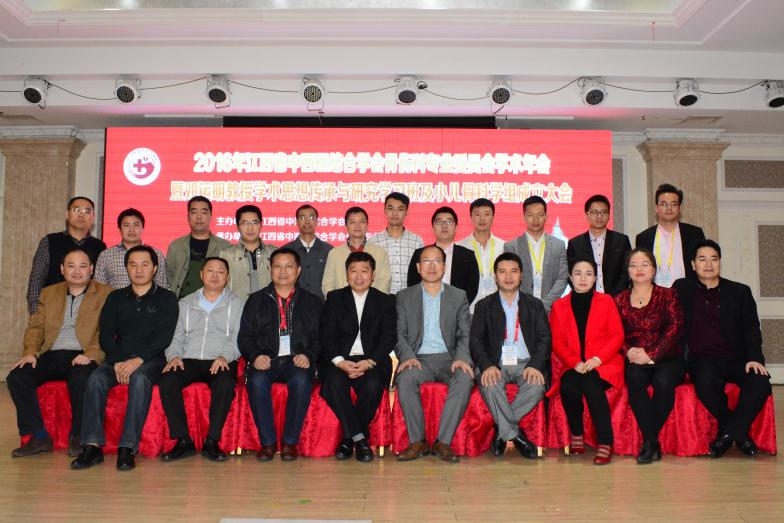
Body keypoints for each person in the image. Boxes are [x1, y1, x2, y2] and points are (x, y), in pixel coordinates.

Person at [71, 245, 178, 471]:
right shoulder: (115, 297)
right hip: (118, 358)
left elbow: (164, 337)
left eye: (145, 265)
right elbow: (106, 334)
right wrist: (119, 361)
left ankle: (128, 447)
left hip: (151, 360)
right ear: (126, 268)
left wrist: (138, 361)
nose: (139, 270)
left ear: (155, 268)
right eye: (133, 265)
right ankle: (92, 446)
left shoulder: (167, 298)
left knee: (140, 379)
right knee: (95, 379)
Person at [8, 248, 112, 458]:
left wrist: (91, 354)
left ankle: (78, 436)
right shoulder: (49, 293)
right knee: (17, 377)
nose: (77, 271)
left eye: (83, 266)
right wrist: (30, 352)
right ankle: (38, 436)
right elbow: (36, 327)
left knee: (81, 379)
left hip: (84, 354)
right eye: (71, 266)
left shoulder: (106, 294)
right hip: (52, 353)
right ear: (62, 269)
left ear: (91, 269)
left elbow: (108, 331)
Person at [674, 240, 772, 458]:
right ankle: (739, 434)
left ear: (720, 262)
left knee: (761, 382)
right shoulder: (682, 289)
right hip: (702, 360)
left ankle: (728, 434)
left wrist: (755, 358)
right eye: (702, 259)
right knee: (705, 383)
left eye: (714, 259)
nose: (708, 264)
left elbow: (751, 329)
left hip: (736, 358)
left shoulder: (739, 291)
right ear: (693, 264)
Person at [239, 248, 323, 462]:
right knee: (256, 381)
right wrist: (255, 356)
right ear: (270, 269)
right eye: (277, 266)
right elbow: (245, 337)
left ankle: (289, 443)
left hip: (298, 359)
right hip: (266, 359)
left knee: (302, 381)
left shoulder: (313, 302)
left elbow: (321, 338)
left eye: (288, 266)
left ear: (298, 270)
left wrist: (308, 355)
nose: (283, 271)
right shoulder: (256, 300)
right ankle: (267, 443)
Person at [158, 257, 243, 463]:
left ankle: (212, 441)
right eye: (210, 270)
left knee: (225, 384)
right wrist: (174, 356)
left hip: (220, 359)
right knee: (168, 380)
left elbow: (238, 338)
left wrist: (225, 357)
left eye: (221, 272)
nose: (215, 275)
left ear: (227, 278)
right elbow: (175, 336)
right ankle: (183, 440)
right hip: (188, 358)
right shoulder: (185, 303)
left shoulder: (237, 304)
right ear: (201, 275)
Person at [396, 245, 473, 463]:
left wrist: (461, 358)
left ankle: (443, 442)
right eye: (426, 261)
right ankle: (417, 441)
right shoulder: (404, 296)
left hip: (449, 359)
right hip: (418, 359)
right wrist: (408, 356)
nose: (432, 266)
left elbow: (464, 333)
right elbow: (399, 333)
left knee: (465, 378)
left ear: (444, 266)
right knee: (405, 378)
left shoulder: (458, 296)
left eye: (437, 261)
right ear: (418, 267)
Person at [469, 252, 550, 459]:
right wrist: (487, 365)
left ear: (521, 275)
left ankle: (501, 431)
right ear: (495, 276)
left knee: (536, 386)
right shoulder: (483, 306)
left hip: (526, 363)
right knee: (490, 383)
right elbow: (476, 341)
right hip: (495, 363)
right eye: (502, 272)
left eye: (513, 271)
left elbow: (544, 339)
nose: (508, 276)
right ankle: (516, 436)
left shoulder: (535, 305)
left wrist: (535, 365)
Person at [319, 251, 396, 462]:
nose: (359, 276)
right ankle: (360, 440)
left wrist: (369, 362)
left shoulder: (385, 301)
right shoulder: (335, 298)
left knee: (373, 385)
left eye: (364, 271)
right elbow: (326, 335)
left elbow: (388, 338)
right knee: (333, 382)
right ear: (347, 275)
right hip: (340, 360)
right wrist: (340, 362)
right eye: (353, 271)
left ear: (373, 275)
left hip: (372, 361)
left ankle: (348, 438)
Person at [548, 257, 625, 465]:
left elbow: (617, 335)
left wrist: (598, 359)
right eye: (578, 273)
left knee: (591, 383)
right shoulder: (559, 306)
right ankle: (577, 434)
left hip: (604, 363)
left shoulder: (606, 301)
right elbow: (557, 342)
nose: (583, 278)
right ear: (570, 277)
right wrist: (575, 362)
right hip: (573, 364)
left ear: (595, 278)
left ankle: (605, 441)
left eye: (588, 274)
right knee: (568, 385)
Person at [614, 248, 684, 464]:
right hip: (635, 358)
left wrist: (652, 354)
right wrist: (628, 351)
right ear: (627, 271)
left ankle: (648, 442)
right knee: (635, 380)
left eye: (645, 264)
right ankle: (652, 442)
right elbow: (615, 332)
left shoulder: (668, 295)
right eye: (633, 265)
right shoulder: (619, 299)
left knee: (664, 382)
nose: (639, 269)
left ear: (654, 270)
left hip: (667, 357)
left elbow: (675, 328)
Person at [27, 196, 106, 314]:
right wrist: (37, 314)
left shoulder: (100, 246)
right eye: (76, 210)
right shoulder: (50, 241)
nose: (81, 214)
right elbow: (36, 280)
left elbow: (101, 284)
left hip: (88, 314)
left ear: (93, 218)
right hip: (52, 310)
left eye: (87, 211)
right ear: (67, 215)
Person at [503, 196, 568, 312]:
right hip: (521, 309)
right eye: (530, 215)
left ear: (546, 216)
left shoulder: (559, 245)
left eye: (540, 215)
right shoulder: (511, 246)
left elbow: (562, 278)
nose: (535, 219)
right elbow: (510, 279)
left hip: (550, 310)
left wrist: (545, 304)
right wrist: (528, 304)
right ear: (524, 217)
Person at [635, 183, 705, 287]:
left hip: (687, 291)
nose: (669, 208)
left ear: (679, 207)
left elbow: (702, 265)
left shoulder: (694, 233)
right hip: (654, 293)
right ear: (657, 208)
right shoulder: (644, 237)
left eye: (674, 204)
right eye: (664, 204)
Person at [407, 207, 479, 305]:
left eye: (449, 222)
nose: (444, 225)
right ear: (433, 227)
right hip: (425, 307)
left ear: (456, 227)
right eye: (439, 222)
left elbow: (473, 288)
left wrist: (458, 308)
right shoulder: (420, 254)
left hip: (457, 309)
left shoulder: (467, 255)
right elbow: (412, 284)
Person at [166, 196, 232, 299]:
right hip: (181, 303)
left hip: (215, 303)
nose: (199, 217)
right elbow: (170, 274)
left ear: (211, 216)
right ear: (188, 217)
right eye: (194, 212)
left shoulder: (225, 247)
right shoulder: (176, 246)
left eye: (204, 212)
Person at [567, 194, 631, 296]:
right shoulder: (575, 244)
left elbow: (626, 273)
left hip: (615, 299)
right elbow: (570, 274)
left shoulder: (621, 241)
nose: (599, 216)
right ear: (587, 215)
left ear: (609, 216)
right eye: (594, 212)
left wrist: (611, 298)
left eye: (604, 212)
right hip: (586, 298)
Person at [322, 206, 392, 295]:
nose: (357, 226)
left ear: (367, 225)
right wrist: (338, 301)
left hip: (373, 302)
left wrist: (371, 301)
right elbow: (328, 284)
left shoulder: (380, 253)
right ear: (346, 225)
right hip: (341, 302)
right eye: (352, 222)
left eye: (362, 222)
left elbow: (384, 283)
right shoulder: (334, 253)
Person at [94, 208, 169, 289]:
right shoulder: (106, 256)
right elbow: (98, 288)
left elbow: (162, 286)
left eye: (136, 225)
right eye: (126, 225)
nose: (131, 230)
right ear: (119, 229)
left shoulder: (157, 254)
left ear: (142, 228)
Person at [368, 192, 424, 295]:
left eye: (400, 209)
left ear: (406, 212)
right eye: (390, 208)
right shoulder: (373, 242)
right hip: (381, 296)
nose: (395, 213)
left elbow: (422, 272)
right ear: (384, 210)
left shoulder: (417, 241)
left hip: (410, 296)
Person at [219, 204, 277, 302]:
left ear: (261, 225)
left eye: (254, 222)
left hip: (269, 308)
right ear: (238, 227)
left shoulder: (274, 253)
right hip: (238, 308)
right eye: (244, 223)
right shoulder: (226, 255)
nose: (250, 228)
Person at [457, 198, 505, 313]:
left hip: (497, 309)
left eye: (487, 214)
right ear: (471, 217)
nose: (482, 218)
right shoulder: (459, 246)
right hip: (469, 310)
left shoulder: (504, 246)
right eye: (477, 214)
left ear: (493, 217)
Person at [283, 204, 332, 301]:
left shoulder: (329, 250)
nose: (307, 221)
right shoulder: (285, 251)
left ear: (317, 222)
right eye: (302, 217)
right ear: (297, 222)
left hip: (322, 306)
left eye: (311, 217)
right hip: (292, 305)